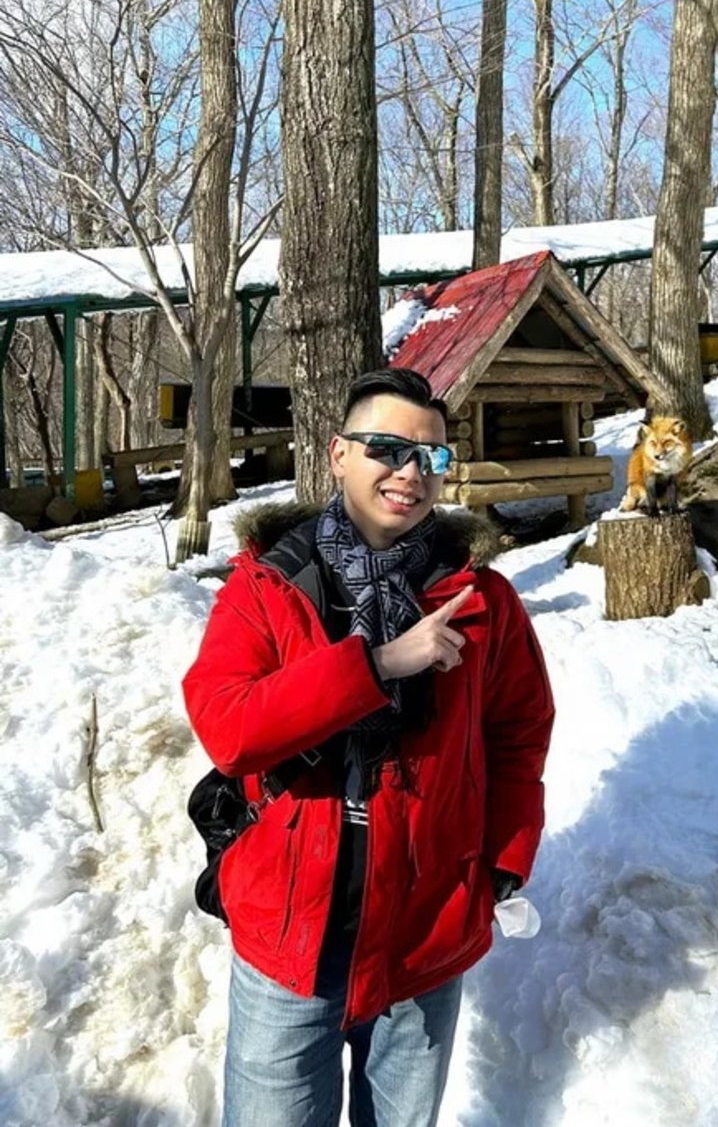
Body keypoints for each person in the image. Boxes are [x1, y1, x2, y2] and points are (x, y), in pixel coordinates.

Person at [182, 367, 554, 1127]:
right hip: (291, 934)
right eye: (387, 448)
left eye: (431, 457)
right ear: (338, 454)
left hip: (423, 935)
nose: (410, 473)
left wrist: (502, 865)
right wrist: (378, 664)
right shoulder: (266, 587)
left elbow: (519, 733)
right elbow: (231, 728)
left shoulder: (483, 600)